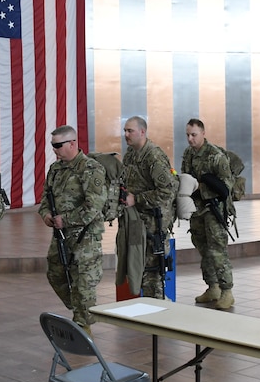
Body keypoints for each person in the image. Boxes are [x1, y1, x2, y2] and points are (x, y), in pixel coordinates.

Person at [37, 125, 107, 334]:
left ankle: (83, 325)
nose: (55, 149)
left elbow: (94, 206)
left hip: (86, 235)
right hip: (61, 235)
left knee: (84, 282)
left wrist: (66, 220)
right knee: (56, 273)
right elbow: (44, 199)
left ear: (73, 143)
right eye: (52, 145)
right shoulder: (55, 169)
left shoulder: (91, 169)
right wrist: (46, 215)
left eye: (58, 145)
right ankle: (78, 307)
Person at [121, 116, 179, 300]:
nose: (126, 135)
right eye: (125, 131)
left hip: (155, 223)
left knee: (153, 273)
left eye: (130, 131)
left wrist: (136, 199)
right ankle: (152, 311)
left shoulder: (153, 155)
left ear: (142, 132)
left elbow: (167, 192)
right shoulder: (130, 153)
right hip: (137, 221)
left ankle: (161, 313)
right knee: (141, 269)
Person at [181, 118, 236, 309]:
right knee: (203, 249)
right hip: (196, 209)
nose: (190, 139)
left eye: (194, 135)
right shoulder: (188, 154)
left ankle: (227, 290)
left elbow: (227, 186)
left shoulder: (215, 156)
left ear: (203, 133)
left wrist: (202, 188)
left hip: (213, 209)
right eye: (187, 135)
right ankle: (212, 286)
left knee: (217, 251)